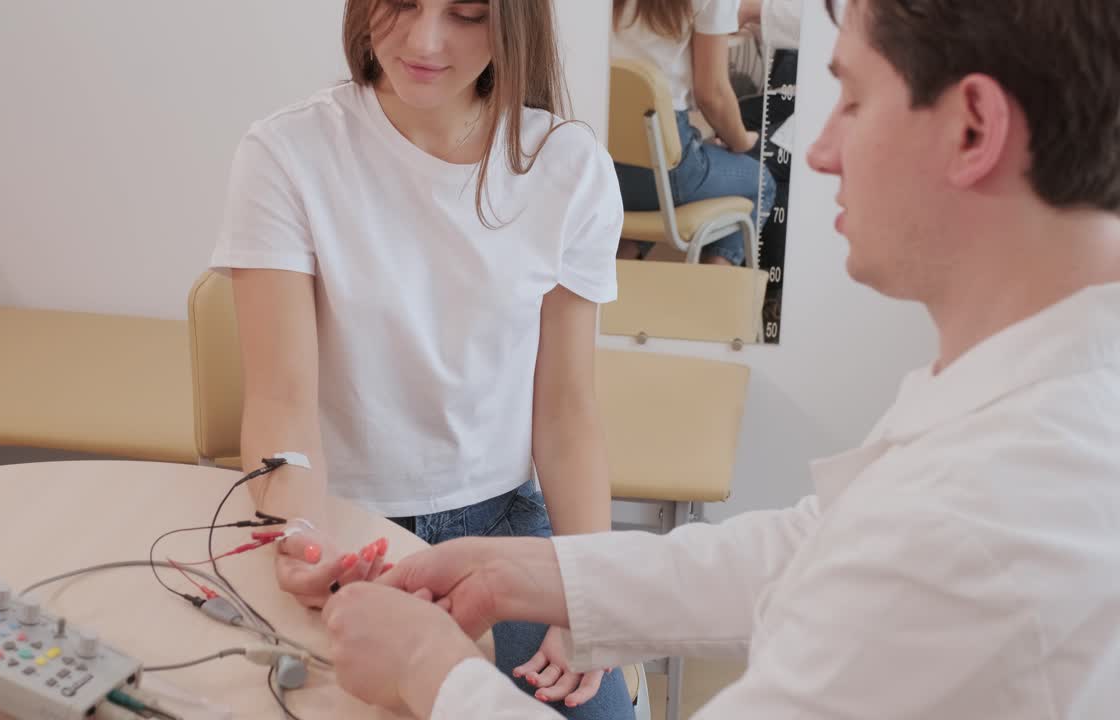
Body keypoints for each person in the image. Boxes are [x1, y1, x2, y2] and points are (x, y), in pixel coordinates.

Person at [318, 0, 1120, 717]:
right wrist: (526, 575)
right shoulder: (1037, 400)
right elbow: (814, 544)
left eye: (852, 99)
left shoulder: (976, 522)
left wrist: (433, 669)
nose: (822, 150)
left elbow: (887, 551)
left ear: (972, 128)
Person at [208, 0, 634, 717]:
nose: (424, 39)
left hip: (500, 524)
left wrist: (587, 595)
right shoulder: (288, 153)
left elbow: (565, 414)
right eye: (401, 2)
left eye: (466, 13)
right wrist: (303, 538)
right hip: (344, 519)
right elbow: (282, 397)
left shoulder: (568, 168)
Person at [611, 0, 777, 266]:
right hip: (659, 171)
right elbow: (713, 95)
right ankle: (712, 294)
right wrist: (741, 141)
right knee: (761, 183)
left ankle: (614, 279)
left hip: (599, 161)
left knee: (657, 185)